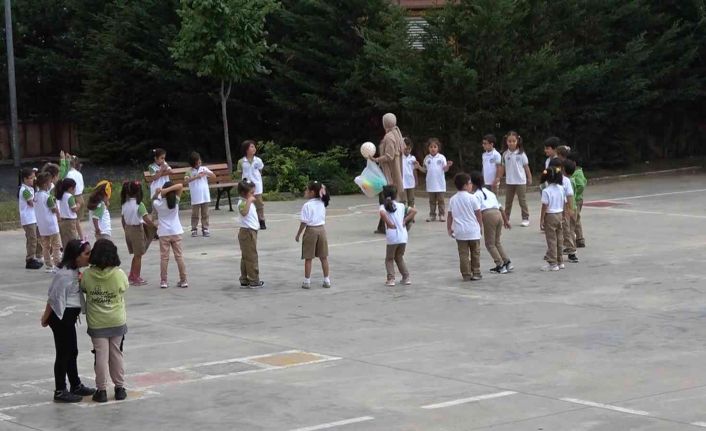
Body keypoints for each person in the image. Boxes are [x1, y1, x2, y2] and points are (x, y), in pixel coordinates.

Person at [40, 240, 96, 403]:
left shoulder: (73, 271)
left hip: (67, 318)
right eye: (86, 253)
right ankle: (60, 390)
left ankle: (76, 384)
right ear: (76, 257)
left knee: (72, 351)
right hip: (60, 318)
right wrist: (45, 318)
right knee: (64, 353)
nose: (89, 256)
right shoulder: (64, 275)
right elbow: (53, 298)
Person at [80, 239, 129, 403]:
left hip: (97, 322)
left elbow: (84, 288)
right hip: (116, 319)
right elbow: (124, 288)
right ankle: (120, 388)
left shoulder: (87, 274)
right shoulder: (118, 274)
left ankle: (101, 390)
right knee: (116, 354)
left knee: (101, 355)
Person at [469, 172, 513, 274]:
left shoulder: (476, 195)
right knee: (497, 242)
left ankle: (500, 265)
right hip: (498, 214)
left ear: (474, 184)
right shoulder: (490, 193)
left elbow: (477, 211)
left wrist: (478, 225)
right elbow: (500, 207)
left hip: (488, 215)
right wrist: (506, 221)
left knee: (489, 244)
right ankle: (507, 262)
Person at [295, 181, 331, 289]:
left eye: (307, 190)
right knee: (323, 257)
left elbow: (304, 222)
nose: (305, 192)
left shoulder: (307, 205)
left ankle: (307, 281)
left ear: (312, 192)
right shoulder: (322, 203)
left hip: (311, 230)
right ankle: (327, 280)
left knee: (308, 257)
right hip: (321, 230)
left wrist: (298, 234)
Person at [447, 173, 483, 281]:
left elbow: (449, 215)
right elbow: (478, 214)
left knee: (463, 254)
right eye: (470, 183)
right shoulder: (472, 198)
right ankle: (476, 272)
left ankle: (466, 274)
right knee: (475, 252)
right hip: (473, 230)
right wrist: (480, 226)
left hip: (460, 231)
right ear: (465, 185)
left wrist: (449, 228)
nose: (471, 185)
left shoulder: (453, 199)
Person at [379, 185, 417, 286]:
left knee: (389, 258)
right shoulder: (401, 206)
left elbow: (382, 214)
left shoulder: (383, 206)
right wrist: (405, 220)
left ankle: (391, 279)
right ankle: (406, 277)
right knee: (399, 257)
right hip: (403, 235)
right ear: (396, 195)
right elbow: (414, 211)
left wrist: (389, 223)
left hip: (392, 236)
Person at [153, 182, 188, 289]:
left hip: (164, 233)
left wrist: (159, 192)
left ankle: (164, 281)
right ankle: (183, 280)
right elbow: (180, 186)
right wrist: (167, 190)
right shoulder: (175, 202)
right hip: (176, 231)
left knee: (164, 258)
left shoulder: (158, 204)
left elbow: (153, 200)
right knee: (179, 256)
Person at [121, 181, 156, 286]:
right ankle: (136, 277)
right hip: (137, 230)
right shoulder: (139, 204)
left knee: (136, 255)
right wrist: (155, 226)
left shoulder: (124, 204)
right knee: (139, 255)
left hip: (128, 229)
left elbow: (122, 219)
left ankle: (132, 275)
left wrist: (125, 229)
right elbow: (146, 219)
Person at [498, 131, 532, 226]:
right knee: (508, 201)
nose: (511, 143)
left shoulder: (521, 154)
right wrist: (499, 178)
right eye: (509, 141)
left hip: (521, 181)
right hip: (509, 181)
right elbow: (502, 168)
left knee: (522, 200)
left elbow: (526, 167)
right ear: (506, 142)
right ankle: (506, 218)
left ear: (517, 141)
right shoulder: (505, 154)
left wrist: (529, 177)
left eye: (513, 141)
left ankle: (525, 218)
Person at [417, 138, 453, 222]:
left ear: (438, 148)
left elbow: (445, 169)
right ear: (428, 148)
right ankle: (432, 215)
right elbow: (425, 170)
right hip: (430, 184)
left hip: (440, 184)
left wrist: (447, 165)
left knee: (441, 200)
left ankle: (442, 215)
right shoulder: (427, 158)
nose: (433, 148)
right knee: (432, 201)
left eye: (435, 147)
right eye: (431, 147)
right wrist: (418, 167)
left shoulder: (441, 157)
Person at [237, 180, 264, 288]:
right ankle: (254, 280)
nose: (253, 195)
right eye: (251, 193)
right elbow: (244, 213)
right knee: (251, 257)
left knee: (246, 256)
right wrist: (249, 201)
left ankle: (244, 279)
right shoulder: (242, 202)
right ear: (244, 193)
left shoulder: (247, 201)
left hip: (251, 230)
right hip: (247, 232)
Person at [539, 165, 566, 271]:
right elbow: (564, 202)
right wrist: (563, 215)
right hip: (559, 214)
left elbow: (544, 206)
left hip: (550, 215)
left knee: (551, 240)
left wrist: (541, 220)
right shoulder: (561, 188)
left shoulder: (546, 191)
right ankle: (560, 261)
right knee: (560, 239)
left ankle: (553, 263)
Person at [35, 172, 62, 272]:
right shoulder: (47, 197)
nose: (51, 183)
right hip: (51, 225)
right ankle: (57, 264)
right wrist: (59, 216)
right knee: (56, 245)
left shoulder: (36, 196)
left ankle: (48, 265)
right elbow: (53, 209)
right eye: (50, 181)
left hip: (42, 225)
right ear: (46, 184)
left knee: (45, 246)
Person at [236, 140, 266, 229]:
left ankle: (262, 220)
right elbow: (239, 173)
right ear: (246, 149)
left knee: (259, 203)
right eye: (251, 147)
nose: (254, 148)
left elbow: (260, 171)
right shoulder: (241, 161)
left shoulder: (258, 160)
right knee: (247, 202)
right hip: (246, 186)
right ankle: (251, 220)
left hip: (257, 185)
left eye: (254, 147)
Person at [185, 151, 215, 237]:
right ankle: (194, 229)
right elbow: (186, 180)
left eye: (200, 161)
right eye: (197, 161)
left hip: (205, 195)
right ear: (193, 163)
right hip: (195, 196)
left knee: (205, 213)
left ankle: (205, 228)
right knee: (195, 214)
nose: (199, 162)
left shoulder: (204, 168)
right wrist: (196, 177)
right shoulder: (189, 171)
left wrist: (207, 173)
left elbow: (213, 176)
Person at [18, 167, 44, 269]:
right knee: (32, 239)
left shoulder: (30, 188)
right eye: (31, 178)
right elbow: (31, 203)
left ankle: (36, 256)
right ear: (25, 179)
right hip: (28, 219)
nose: (33, 180)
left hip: (33, 218)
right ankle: (29, 259)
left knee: (36, 238)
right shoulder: (24, 190)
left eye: (34, 178)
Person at [60, 152, 85, 241]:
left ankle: (80, 238)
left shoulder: (68, 174)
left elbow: (63, 180)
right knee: (77, 221)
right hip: (81, 196)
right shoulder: (79, 173)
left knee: (74, 221)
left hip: (74, 197)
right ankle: (80, 237)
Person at [560, 159, 580, 263]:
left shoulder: (566, 181)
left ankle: (572, 251)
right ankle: (571, 248)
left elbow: (570, 196)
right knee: (570, 230)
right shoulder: (570, 179)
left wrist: (570, 209)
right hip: (572, 207)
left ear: (563, 169)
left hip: (568, 207)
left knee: (566, 229)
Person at [567, 152, 587, 248]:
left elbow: (581, 185)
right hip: (576, 200)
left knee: (574, 220)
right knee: (576, 219)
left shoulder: (578, 173)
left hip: (577, 200)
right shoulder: (575, 173)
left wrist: (575, 195)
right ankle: (579, 238)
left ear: (574, 163)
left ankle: (578, 239)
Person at [147, 148, 172, 219]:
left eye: (164, 158)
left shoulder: (165, 164)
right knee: (155, 209)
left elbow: (170, 171)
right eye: (162, 158)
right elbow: (154, 177)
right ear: (156, 158)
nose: (163, 160)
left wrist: (160, 173)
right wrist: (161, 170)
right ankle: (154, 224)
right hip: (156, 190)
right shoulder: (151, 166)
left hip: (165, 188)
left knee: (165, 206)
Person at [56, 178, 80, 248]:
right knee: (72, 239)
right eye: (74, 188)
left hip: (62, 220)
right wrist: (78, 204)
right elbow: (74, 209)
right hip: (70, 221)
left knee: (65, 240)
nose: (75, 190)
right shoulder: (69, 197)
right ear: (70, 188)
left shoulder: (61, 195)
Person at [402, 137, 418, 207]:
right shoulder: (400, 158)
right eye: (406, 149)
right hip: (402, 182)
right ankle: (403, 216)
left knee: (411, 200)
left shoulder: (413, 158)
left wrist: (416, 180)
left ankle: (411, 217)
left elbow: (414, 170)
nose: (407, 150)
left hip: (411, 181)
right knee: (403, 200)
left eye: (409, 149)